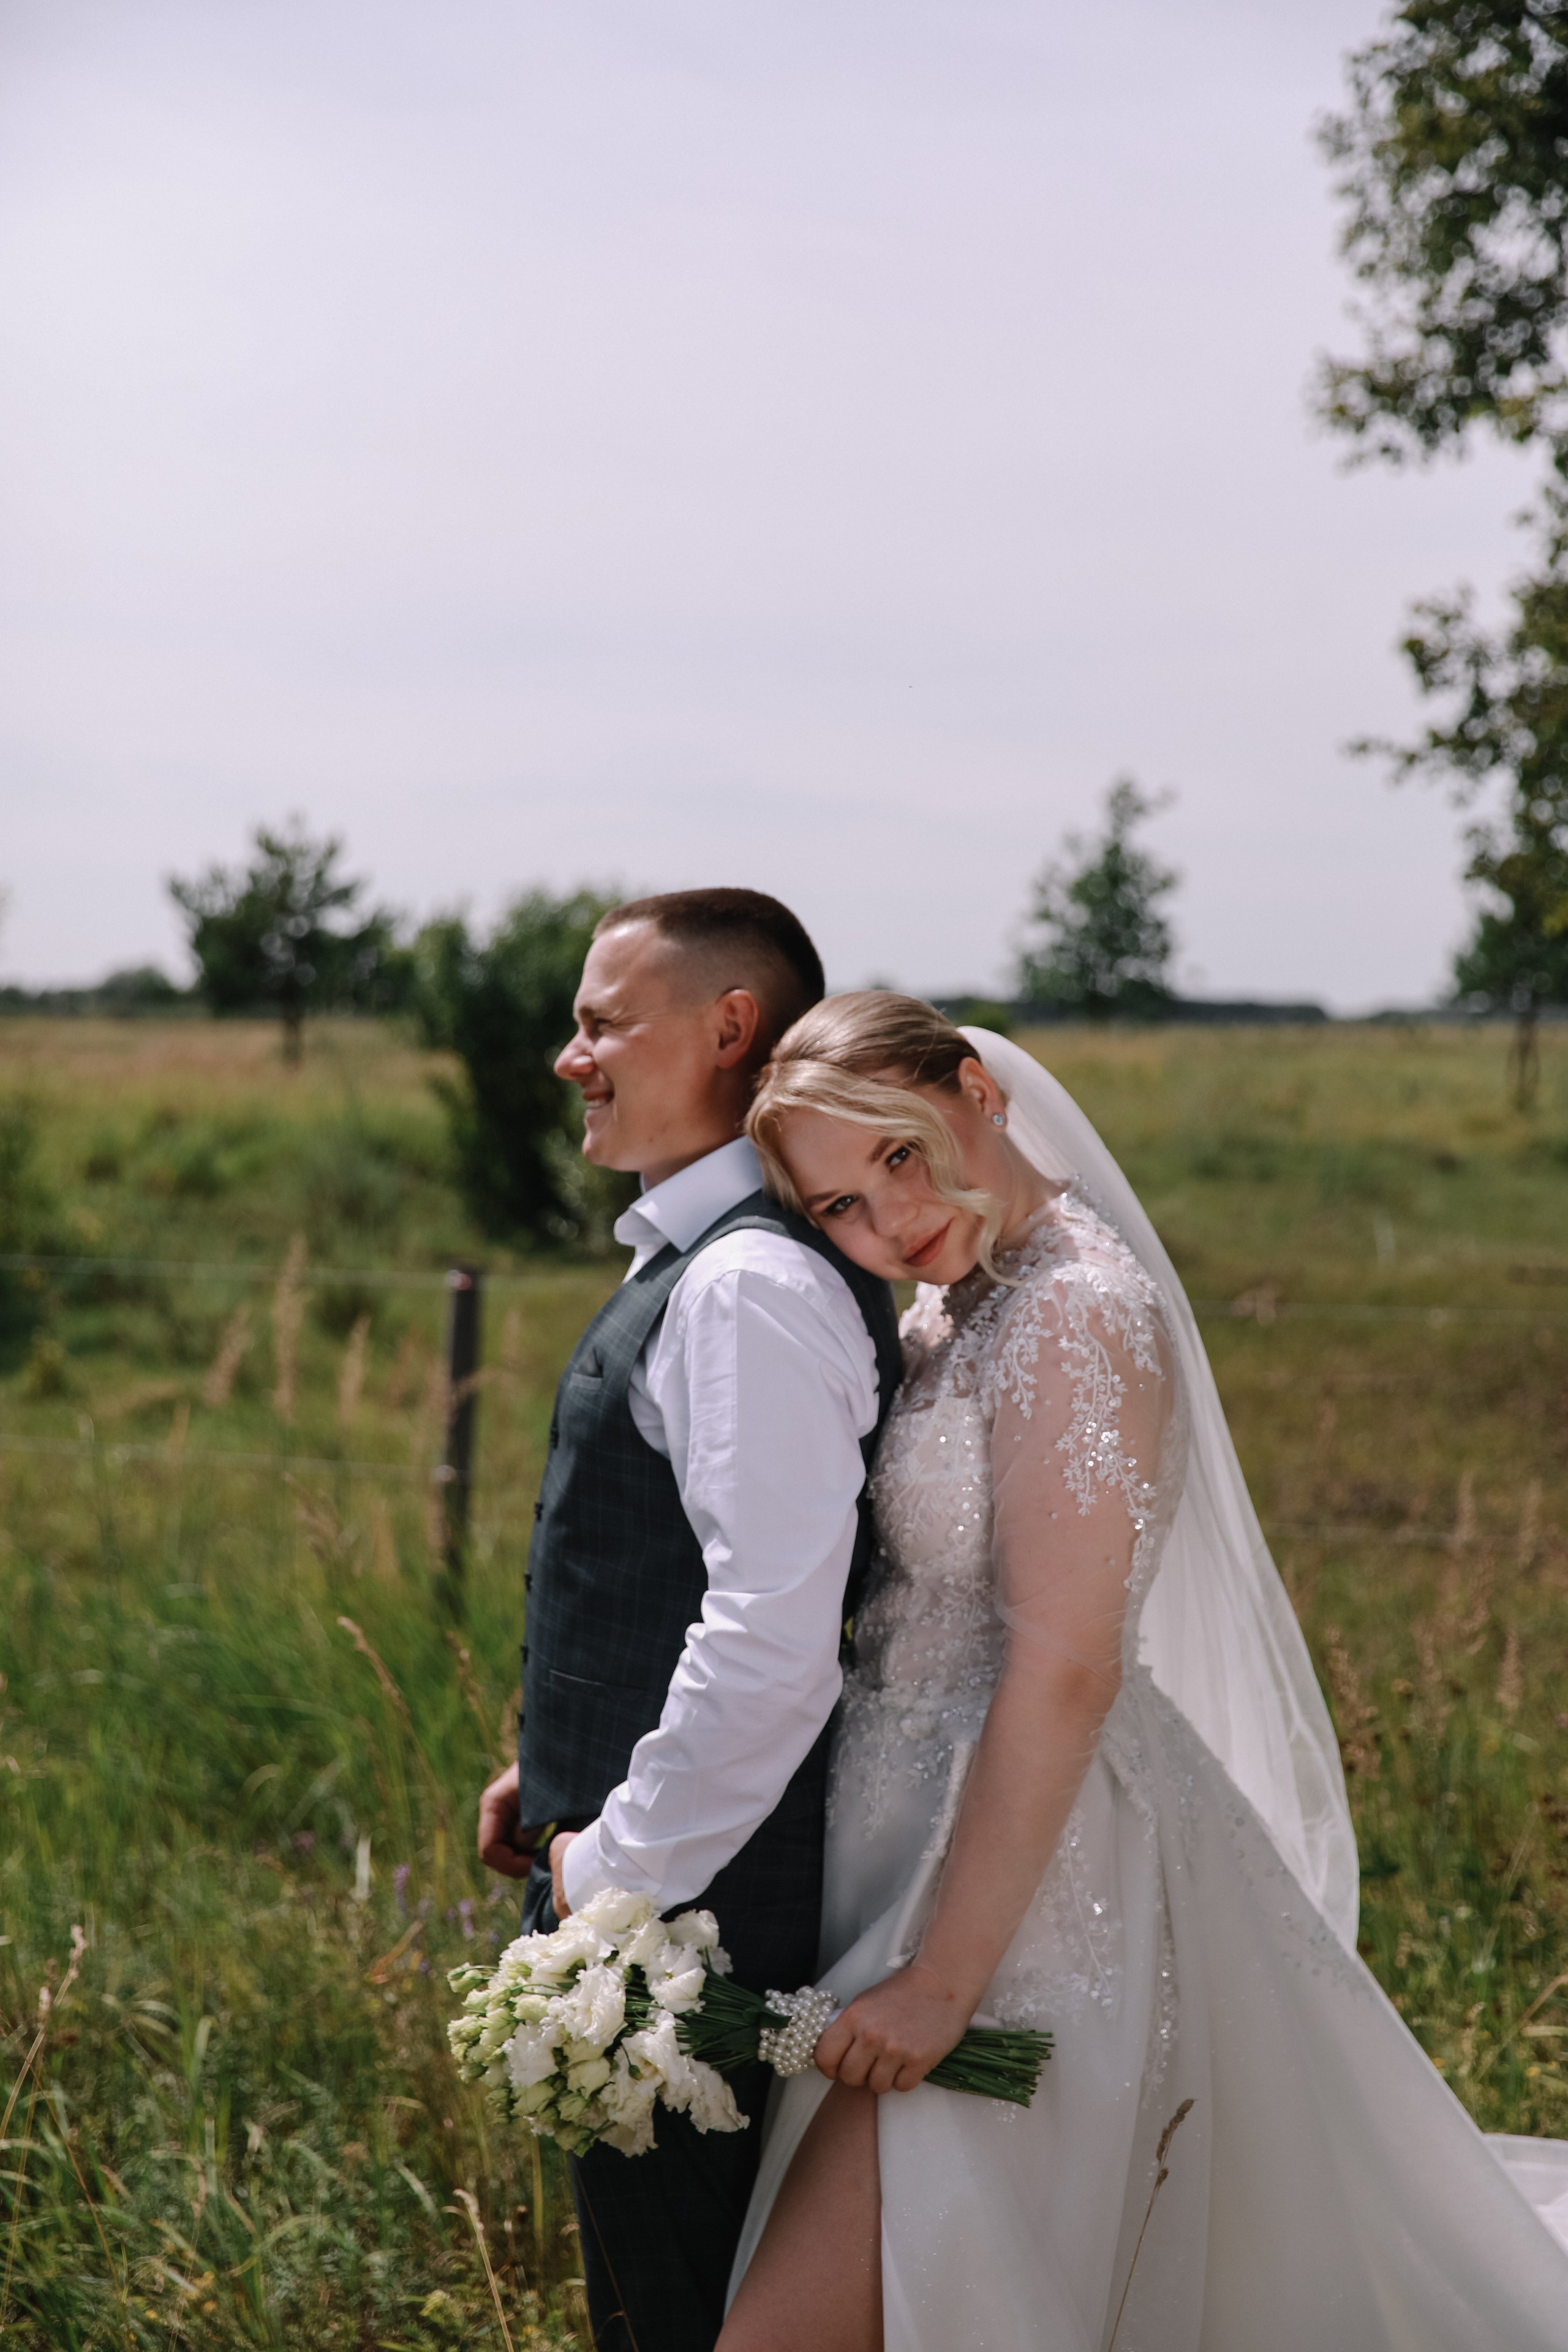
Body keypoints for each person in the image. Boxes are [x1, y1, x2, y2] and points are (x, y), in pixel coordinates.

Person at [719, 992, 1568, 2352]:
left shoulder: (1072, 1311)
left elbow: (1061, 1669)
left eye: (897, 1153)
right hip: (896, 1862)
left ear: (977, 1093)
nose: (887, 1219)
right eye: (836, 1208)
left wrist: (945, 1980)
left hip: (1024, 1900)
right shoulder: (957, 1311)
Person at [475, 893, 902, 2352]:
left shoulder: (745, 1284)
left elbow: (772, 1641)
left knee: (677, 2315)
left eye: (603, 1022)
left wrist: (609, 1868)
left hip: (697, 1909)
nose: (568, 1055)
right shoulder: (697, 1255)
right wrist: (556, 1764)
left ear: (728, 1027)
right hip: (668, 1864)